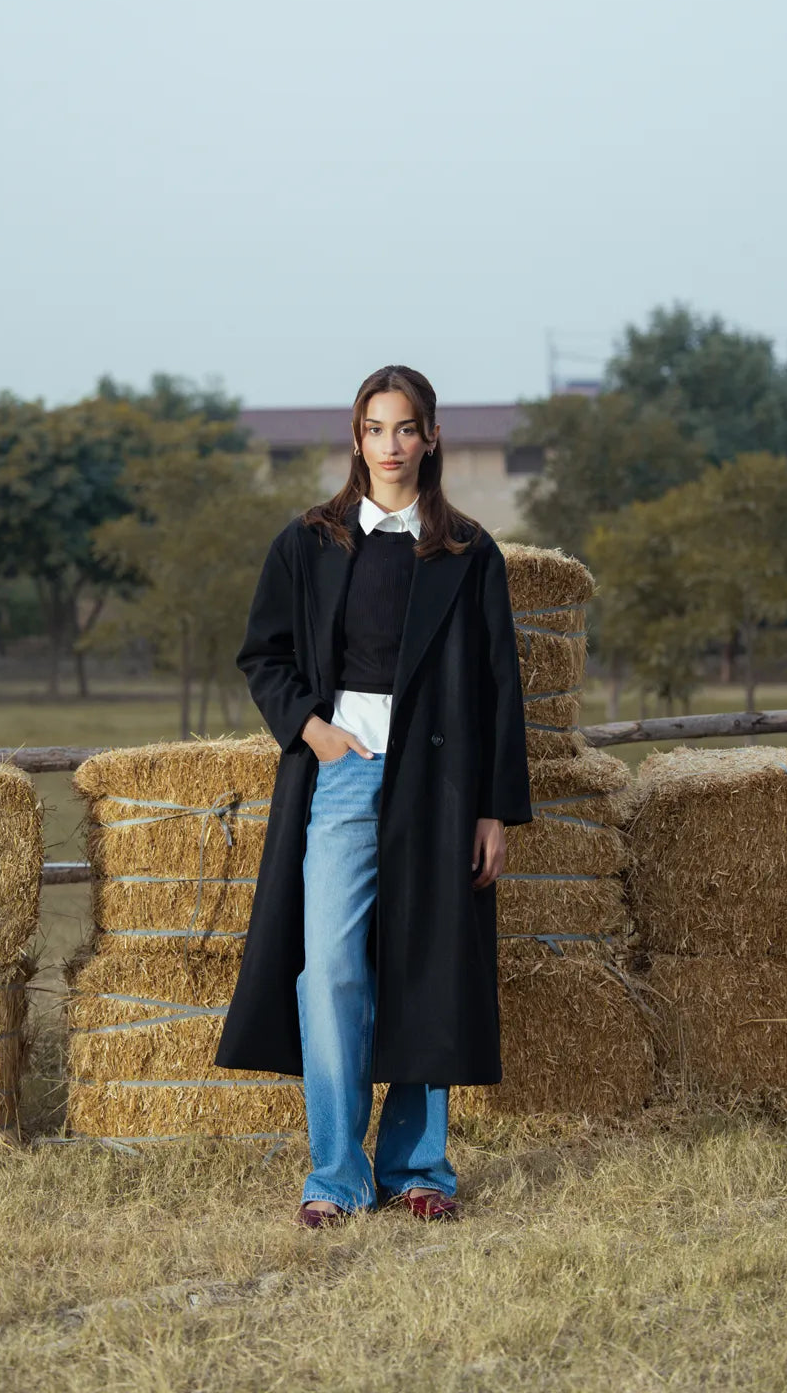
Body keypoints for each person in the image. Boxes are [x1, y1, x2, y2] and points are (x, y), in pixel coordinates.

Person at [214, 364, 531, 1226]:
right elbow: (264, 656)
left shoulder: (469, 552)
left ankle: (419, 1169)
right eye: (374, 428)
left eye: (405, 429)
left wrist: (495, 809)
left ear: (431, 438)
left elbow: (502, 689)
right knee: (330, 974)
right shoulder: (310, 541)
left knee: (427, 970)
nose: (389, 446)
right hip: (344, 776)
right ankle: (336, 1176)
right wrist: (314, 732)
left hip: (441, 785)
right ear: (356, 439)